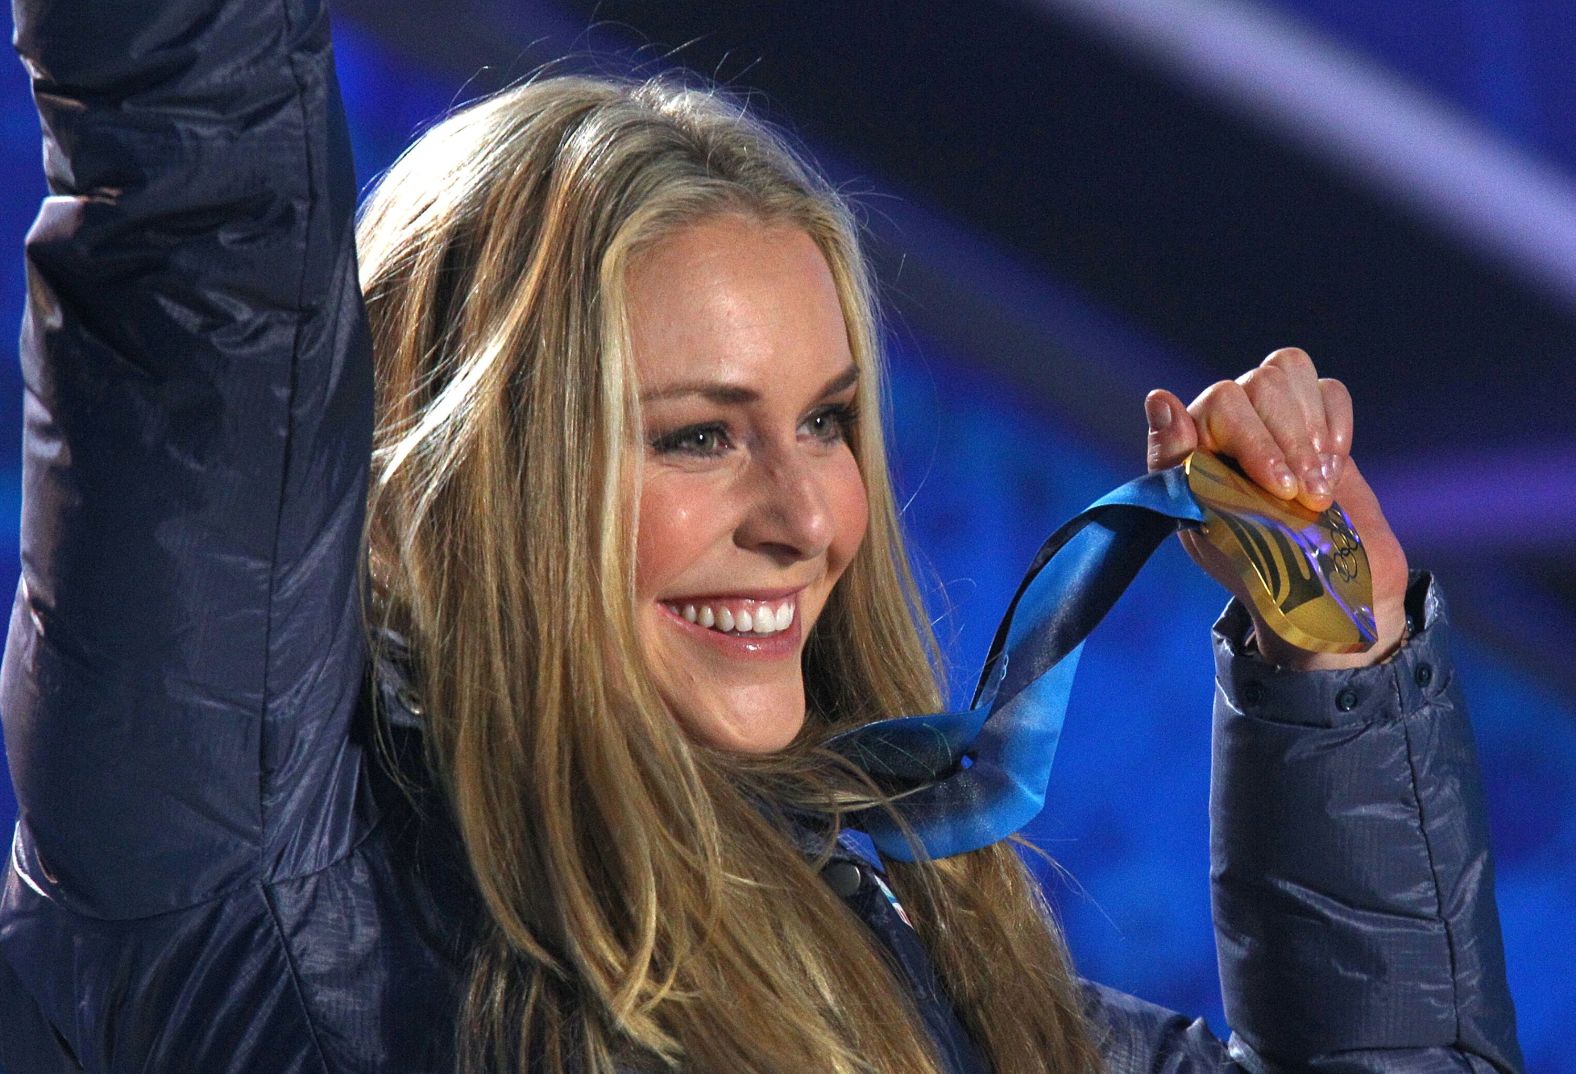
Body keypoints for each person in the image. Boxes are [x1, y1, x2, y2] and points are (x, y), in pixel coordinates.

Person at [0, 0, 1523, 1072]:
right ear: (442, 484)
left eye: (829, 421)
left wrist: (1340, 656)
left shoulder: (925, 978)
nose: (807, 520)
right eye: (700, 434)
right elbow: (205, 274)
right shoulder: (251, 881)